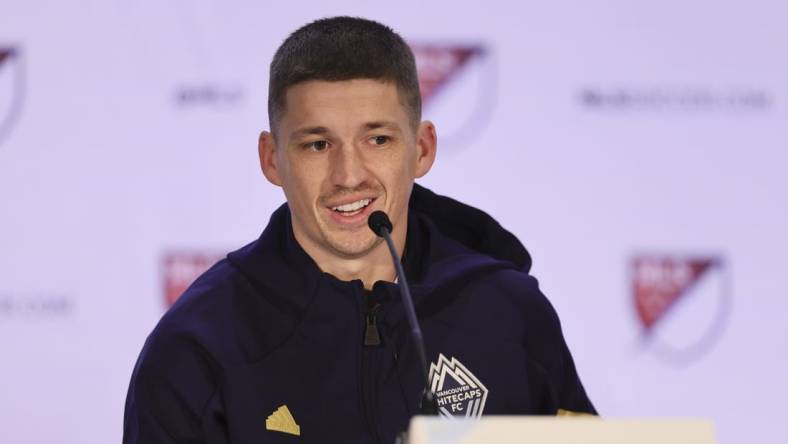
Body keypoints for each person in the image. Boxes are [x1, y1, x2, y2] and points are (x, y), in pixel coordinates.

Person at [123, 16, 596, 444]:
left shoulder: (509, 311)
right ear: (272, 159)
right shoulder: (197, 346)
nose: (349, 175)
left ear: (423, 149)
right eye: (317, 144)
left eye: (378, 139)